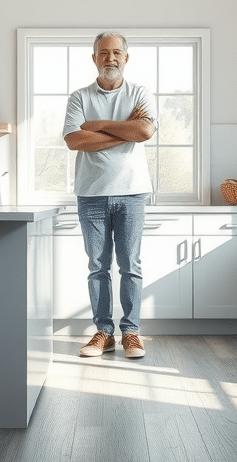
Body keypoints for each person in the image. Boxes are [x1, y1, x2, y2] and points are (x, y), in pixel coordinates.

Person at [62, 31, 156, 359]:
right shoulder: (78, 97)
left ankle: (130, 332)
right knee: (98, 266)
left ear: (126, 58)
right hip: (91, 195)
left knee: (130, 265)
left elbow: (145, 131)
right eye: (104, 53)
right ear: (94, 58)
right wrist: (124, 131)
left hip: (132, 193)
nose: (110, 58)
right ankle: (104, 332)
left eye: (117, 52)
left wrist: (97, 127)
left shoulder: (139, 92)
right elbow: (75, 141)